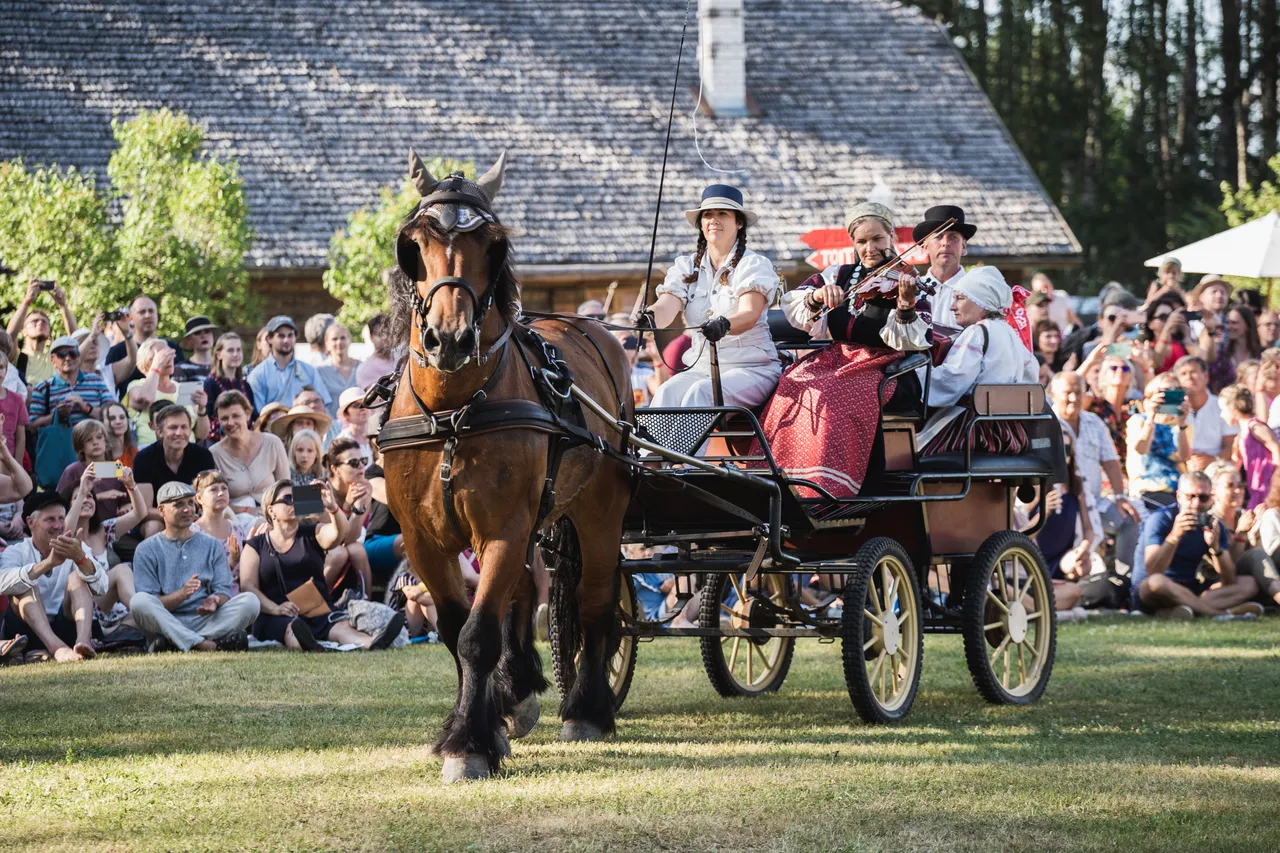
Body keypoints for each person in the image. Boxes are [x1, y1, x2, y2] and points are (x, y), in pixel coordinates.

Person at [761, 201, 929, 497]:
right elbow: (794, 304)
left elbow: (914, 339)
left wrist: (905, 303)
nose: (870, 248)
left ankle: (831, 488)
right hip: (838, 357)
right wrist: (816, 297)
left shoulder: (906, 278)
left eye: (877, 239)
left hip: (885, 365)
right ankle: (782, 482)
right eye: (861, 241)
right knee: (792, 383)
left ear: (891, 237)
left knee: (833, 390)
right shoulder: (838, 274)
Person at [633, 184, 781, 411]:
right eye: (708, 214)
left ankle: (679, 449)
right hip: (701, 368)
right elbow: (667, 306)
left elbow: (750, 314)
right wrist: (650, 317)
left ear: (739, 223)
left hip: (751, 369)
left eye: (723, 213)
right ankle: (649, 449)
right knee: (665, 393)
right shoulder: (685, 266)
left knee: (700, 394)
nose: (714, 219)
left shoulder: (753, 265)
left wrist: (724, 324)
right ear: (701, 224)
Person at [241, 479, 403, 651]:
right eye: (288, 499)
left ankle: (373, 643)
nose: (294, 503)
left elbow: (340, 533)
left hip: (315, 609)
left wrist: (332, 507)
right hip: (275, 613)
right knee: (292, 628)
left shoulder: (313, 532)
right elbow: (248, 586)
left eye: (297, 498)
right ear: (271, 509)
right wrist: (275, 609)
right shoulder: (256, 545)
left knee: (341, 627)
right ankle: (310, 645)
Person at [129, 482, 260, 652]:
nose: (187, 509)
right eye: (179, 505)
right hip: (168, 620)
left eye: (191, 503)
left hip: (207, 620)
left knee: (250, 602)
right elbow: (152, 601)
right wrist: (181, 595)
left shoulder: (212, 545)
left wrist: (215, 600)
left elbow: (224, 590)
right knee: (138, 602)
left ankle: (176, 642)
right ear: (161, 510)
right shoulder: (146, 549)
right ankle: (203, 643)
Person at [923, 266, 1038, 455]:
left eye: (960, 298)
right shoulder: (1011, 333)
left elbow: (951, 381)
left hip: (974, 431)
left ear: (982, 303)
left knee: (914, 452)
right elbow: (1031, 376)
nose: (952, 306)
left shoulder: (978, 332)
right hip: (1009, 432)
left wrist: (917, 375)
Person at [1130, 471, 1262, 618]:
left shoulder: (1212, 524)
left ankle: (1179, 611)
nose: (1196, 503)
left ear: (1211, 498)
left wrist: (1216, 549)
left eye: (1203, 497)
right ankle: (1220, 614)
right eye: (1190, 496)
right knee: (1157, 582)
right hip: (1151, 589)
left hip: (1189, 587)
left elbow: (1229, 579)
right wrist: (1175, 536)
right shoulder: (1161, 519)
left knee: (1248, 584)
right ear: (1179, 496)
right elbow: (1153, 570)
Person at [1049, 372, 1141, 576]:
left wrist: (1119, 497)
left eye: (1078, 392)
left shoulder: (1095, 422)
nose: (1073, 398)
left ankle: (1122, 582)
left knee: (1128, 519)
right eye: (1067, 393)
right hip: (1060, 506)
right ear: (1053, 394)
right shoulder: (1045, 423)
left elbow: (1110, 461)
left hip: (1094, 502)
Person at [0, 491, 102, 661]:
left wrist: (81, 559)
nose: (58, 525)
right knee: (24, 583)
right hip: (26, 632)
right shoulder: (16, 551)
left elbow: (102, 587)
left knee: (78, 578)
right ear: (30, 523)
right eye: (50, 519)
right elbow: (2, 584)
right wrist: (48, 563)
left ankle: (83, 642)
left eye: (61, 518)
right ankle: (57, 648)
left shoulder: (75, 547)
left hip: (66, 627)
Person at [131, 405, 217, 530]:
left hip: (196, 516)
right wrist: (180, 516)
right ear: (160, 432)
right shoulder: (144, 458)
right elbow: (144, 510)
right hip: (159, 518)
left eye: (184, 427)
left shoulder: (203, 456)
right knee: (152, 527)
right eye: (172, 427)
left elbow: (210, 496)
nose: (179, 433)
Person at [209, 390, 289, 511]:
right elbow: (213, 502)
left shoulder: (272, 443)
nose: (230, 423)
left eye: (236, 416)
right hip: (236, 519)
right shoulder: (214, 454)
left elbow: (286, 488)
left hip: (273, 514)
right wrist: (246, 511)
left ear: (247, 415)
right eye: (224, 418)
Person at [126, 338, 210, 446]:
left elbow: (201, 434)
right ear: (147, 362)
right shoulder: (137, 386)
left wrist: (202, 409)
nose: (168, 359)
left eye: (169, 354)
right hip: (150, 451)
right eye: (162, 356)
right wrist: (157, 366)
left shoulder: (183, 388)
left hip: (186, 451)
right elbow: (146, 399)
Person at [191, 469, 260, 594]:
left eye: (224, 488)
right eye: (213, 489)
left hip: (239, 598)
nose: (220, 493)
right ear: (199, 498)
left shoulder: (237, 529)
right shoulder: (193, 533)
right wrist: (231, 562)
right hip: (207, 598)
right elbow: (198, 578)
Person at [56, 419, 132, 526]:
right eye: (89, 439)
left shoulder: (116, 468)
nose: (95, 442)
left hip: (112, 528)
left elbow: (127, 500)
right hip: (80, 527)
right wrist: (99, 496)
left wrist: (126, 507)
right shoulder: (73, 470)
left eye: (99, 437)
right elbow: (60, 503)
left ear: (106, 441)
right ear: (80, 446)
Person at [913, 205, 976, 331]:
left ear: (963, 247)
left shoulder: (976, 290)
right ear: (925, 247)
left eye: (953, 237)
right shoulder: (912, 290)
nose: (945, 243)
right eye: (938, 236)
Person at [28, 335, 113, 429]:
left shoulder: (96, 380)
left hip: (93, 441)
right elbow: (32, 427)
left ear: (79, 357)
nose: (68, 358)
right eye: (61, 354)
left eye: (73, 353)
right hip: (59, 442)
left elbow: (112, 413)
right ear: (53, 360)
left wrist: (85, 407)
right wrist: (56, 415)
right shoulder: (42, 388)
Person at [247, 316, 332, 410]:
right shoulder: (258, 375)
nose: (286, 340)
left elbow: (324, 404)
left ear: (295, 337)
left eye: (290, 335)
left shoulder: (310, 371)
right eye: (281, 336)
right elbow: (259, 414)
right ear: (269, 339)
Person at [323, 437, 373, 594]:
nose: (361, 467)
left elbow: (351, 537)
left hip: (349, 542)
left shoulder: (365, 486)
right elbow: (334, 539)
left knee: (356, 550)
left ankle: (368, 604)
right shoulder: (321, 490)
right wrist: (345, 507)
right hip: (320, 547)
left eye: (363, 460)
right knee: (339, 553)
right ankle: (318, 605)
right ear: (335, 469)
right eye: (353, 463)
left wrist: (357, 505)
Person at [1218, 383, 1280, 509]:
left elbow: (1276, 449)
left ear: (1233, 409)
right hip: (1255, 486)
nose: (1221, 415)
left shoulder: (1255, 427)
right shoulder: (1241, 435)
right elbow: (1236, 464)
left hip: (1268, 484)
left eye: (1223, 410)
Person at [104, 295, 188, 387]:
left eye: (151, 311)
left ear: (157, 315)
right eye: (142, 312)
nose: (147, 315)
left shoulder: (172, 348)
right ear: (130, 317)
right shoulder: (117, 352)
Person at [7, 280, 77, 385]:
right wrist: (27, 301)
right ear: (24, 331)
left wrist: (63, 305)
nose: (40, 323)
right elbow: (10, 336)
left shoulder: (56, 357)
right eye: (34, 321)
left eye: (44, 322)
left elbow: (76, 339)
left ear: (49, 333)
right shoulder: (17, 356)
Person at [1174, 356, 1236, 467]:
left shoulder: (1222, 406)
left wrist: (1213, 460)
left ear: (1206, 376)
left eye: (1193, 372)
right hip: (1180, 469)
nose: (1189, 378)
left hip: (1216, 468)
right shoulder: (1173, 409)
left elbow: (1231, 445)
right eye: (1183, 374)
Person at [203, 332, 256, 444]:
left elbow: (253, 414)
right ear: (218, 355)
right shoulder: (210, 383)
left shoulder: (245, 385)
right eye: (230, 350)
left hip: (245, 440)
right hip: (218, 442)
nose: (236, 354)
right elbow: (208, 416)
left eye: (238, 350)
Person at [364, 442, 404, 583]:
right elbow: (393, 498)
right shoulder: (371, 474)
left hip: (403, 540)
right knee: (413, 542)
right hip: (375, 541)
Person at [1205, 305, 1261, 394]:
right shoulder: (1222, 356)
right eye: (1227, 322)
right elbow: (1214, 385)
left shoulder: (1261, 354)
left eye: (1234, 323)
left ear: (1248, 325)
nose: (1228, 327)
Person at [316, 323, 362, 417]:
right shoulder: (320, 371)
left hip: (360, 425)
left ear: (349, 340)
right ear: (327, 343)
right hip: (332, 426)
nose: (339, 342)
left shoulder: (362, 367)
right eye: (334, 339)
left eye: (343, 338)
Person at [355, 313, 397, 389]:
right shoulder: (366, 369)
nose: (385, 337)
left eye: (388, 333)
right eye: (380, 334)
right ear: (371, 337)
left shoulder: (403, 361)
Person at [0, 349, 28, 463]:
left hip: (9, 462)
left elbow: (21, 438)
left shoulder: (17, 399)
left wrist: (18, 464)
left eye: (1, 367)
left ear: (6, 371)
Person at [268, 401, 335, 448]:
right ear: (290, 427)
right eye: (299, 423)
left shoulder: (322, 456)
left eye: (308, 423)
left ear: (314, 428)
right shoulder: (280, 452)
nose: (304, 426)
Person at [177, 316, 218, 381]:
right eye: (197, 333)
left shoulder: (224, 365)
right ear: (189, 340)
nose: (203, 336)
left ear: (212, 335)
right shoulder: (181, 368)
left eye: (207, 331)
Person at [333, 387, 371, 453]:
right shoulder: (342, 442)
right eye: (356, 406)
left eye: (365, 403)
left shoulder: (377, 436)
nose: (362, 408)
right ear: (346, 414)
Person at [101, 401, 138, 468]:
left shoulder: (135, 454)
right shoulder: (97, 454)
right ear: (102, 422)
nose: (118, 421)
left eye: (122, 417)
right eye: (112, 418)